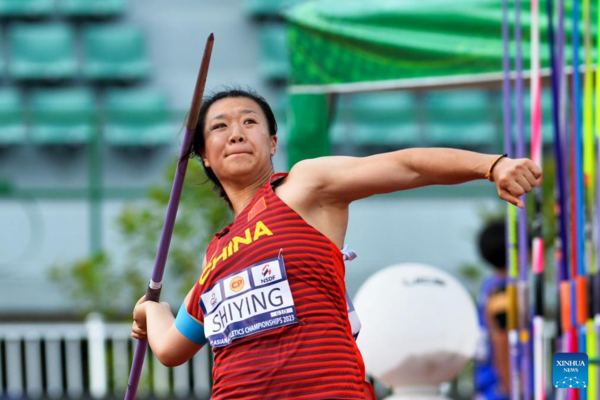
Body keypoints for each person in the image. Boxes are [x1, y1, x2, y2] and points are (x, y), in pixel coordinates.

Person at [132, 87, 541, 400]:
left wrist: (492, 165)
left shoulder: (302, 188)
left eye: (250, 122)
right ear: (204, 155)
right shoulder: (215, 255)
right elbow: (171, 348)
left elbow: (406, 166)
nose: (236, 133)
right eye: (219, 126)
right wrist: (152, 310)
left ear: (273, 143)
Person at [474, 221, 510, 400]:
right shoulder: (502, 293)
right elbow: (501, 340)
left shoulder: (489, 286)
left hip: (490, 388)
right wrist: (509, 387)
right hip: (498, 390)